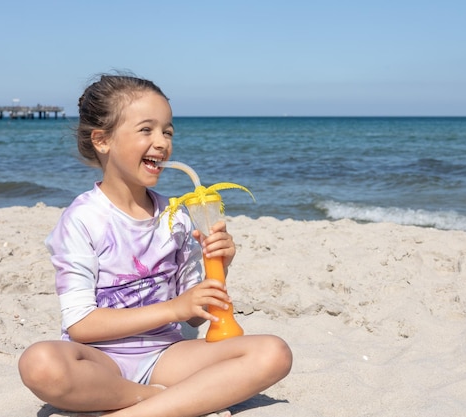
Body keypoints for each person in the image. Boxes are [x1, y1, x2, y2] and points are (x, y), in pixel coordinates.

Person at [18, 73, 292, 417]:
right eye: (146, 130)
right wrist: (174, 309)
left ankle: (134, 410)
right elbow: (81, 326)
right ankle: (155, 400)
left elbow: (194, 314)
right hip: (101, 362)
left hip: (167, 354)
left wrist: (219, 265)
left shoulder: (175, 215)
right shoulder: (82, 219)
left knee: (274, 353)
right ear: (102, 141)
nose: (162, 142)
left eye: (168, 131)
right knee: (40, 363)